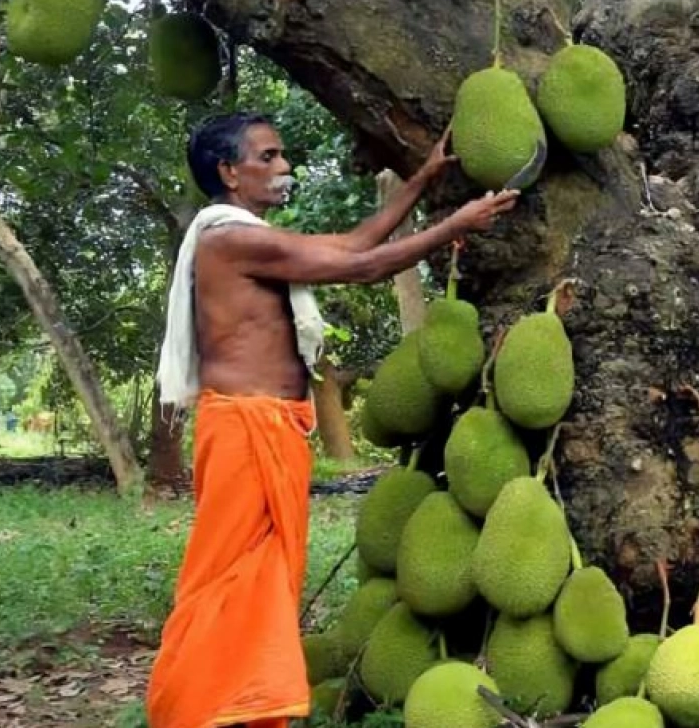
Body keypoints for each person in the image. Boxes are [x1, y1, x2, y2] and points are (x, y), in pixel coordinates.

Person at [146, 111, 519, 728]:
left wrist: (419, 183)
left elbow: (350, 244)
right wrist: (455, 223)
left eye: (281, 154)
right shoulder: (229, 239)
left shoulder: (252, 237)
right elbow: (360, 267)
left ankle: (244, 710)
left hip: (274, 428)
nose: (284, 166)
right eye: (268, 157)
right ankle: (189, 710)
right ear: (228, 172)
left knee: (264, 582)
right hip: (244, 429)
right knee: (224, 582)